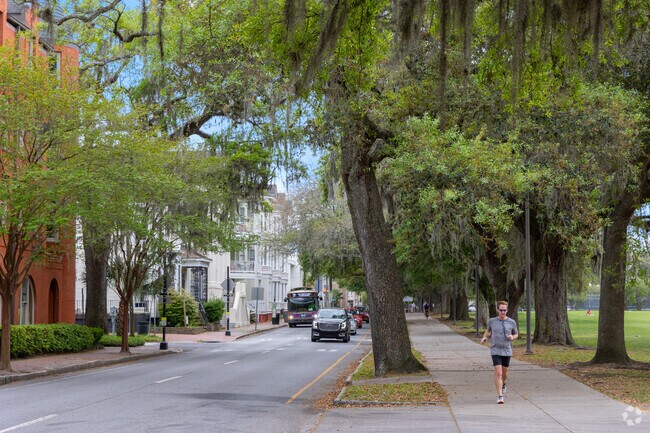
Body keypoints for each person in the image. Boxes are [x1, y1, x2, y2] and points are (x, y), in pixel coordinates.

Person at [480, 301, 519, 404]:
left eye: (504, 310)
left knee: (505, 373)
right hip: (495, 349)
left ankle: (504, 383)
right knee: (498, 373)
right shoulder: (492, 321)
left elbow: (516, 334)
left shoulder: (511, 322)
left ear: (507, 310)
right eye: (501, 310)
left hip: (507, 350)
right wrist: (484, 337)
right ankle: (500, 396)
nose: (502, 312)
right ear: (498, 310)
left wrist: (512, 337)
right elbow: (488, 331)